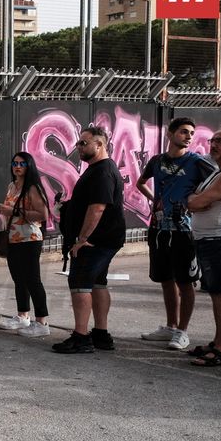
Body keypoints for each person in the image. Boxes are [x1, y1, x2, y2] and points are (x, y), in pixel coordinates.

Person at [136, 117, 214, 351]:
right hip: (159, 229)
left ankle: (183, 331)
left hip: (184, 231)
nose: (188, 136)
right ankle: (170, 326)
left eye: (191, 132)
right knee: (165, 279)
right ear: (169, 135)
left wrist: (198, 204)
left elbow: (216, 186)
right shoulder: (157, 161)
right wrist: (155, 202)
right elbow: (141, 183)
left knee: (185, 281)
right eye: (183, 132)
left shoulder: (197, 162)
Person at [52, 126, 126, 355]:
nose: (79, 147)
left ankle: (81, 336)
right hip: (106, 238)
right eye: (78, 143)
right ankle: (101, 334)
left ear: (100, 145)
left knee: (80, 284)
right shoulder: (98, 169)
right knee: (97, 283)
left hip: (96, 241)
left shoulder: (102, 172)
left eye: (83, 143)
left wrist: (82, 239)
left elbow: (97, 208)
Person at [0, 152, 51, 337]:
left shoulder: (32, 188)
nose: (17, 166)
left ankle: (42, 322)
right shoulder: (12, 186)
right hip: (14, 239)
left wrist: (13, 211)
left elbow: (42, 215)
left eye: (22, 163)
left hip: (29, 239)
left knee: (32, 279)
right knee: (18, 278)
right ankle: (22, 316)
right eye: (15, 163)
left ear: (29, 166)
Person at [186, 125, 221, 367]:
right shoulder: (218, 171)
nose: (214, 144)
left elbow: (196, 201)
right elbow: (194, 200)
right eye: (213, 140)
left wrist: (198, 199)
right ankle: (219, 341)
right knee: (217, 294)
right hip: (210, 239)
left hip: (220, 240)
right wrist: (198, 199)